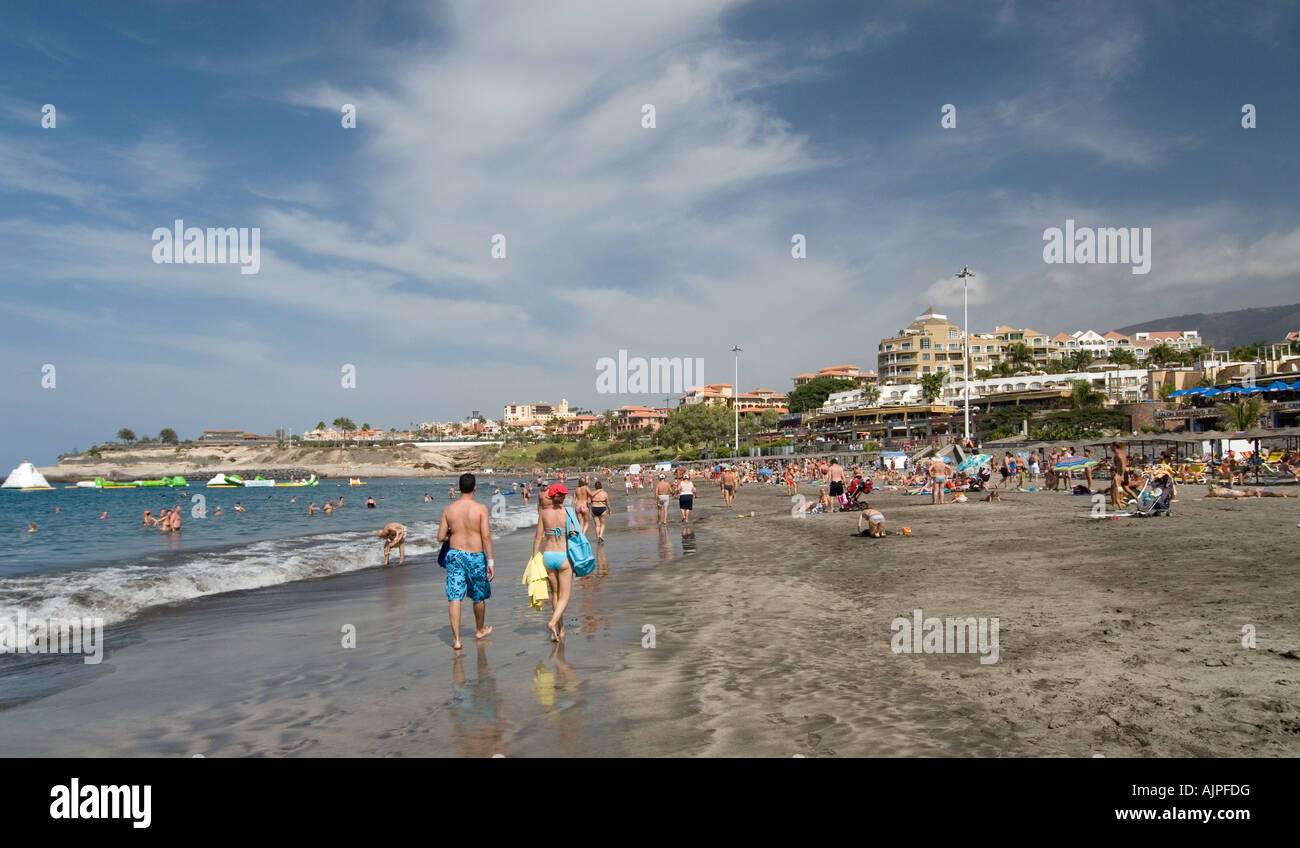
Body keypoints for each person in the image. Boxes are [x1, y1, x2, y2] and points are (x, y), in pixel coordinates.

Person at [437, 473, 495, 650]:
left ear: (459, 487)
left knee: (455, 596)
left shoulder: (449, 509)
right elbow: (485, 536)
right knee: (478, 595)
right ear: (475, 487)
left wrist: (452, 534)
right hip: (476, 555)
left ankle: (456, 640)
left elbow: (440, 537)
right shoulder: (480, 509)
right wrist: (491, 561)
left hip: (455, 554)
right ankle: (479, 629)